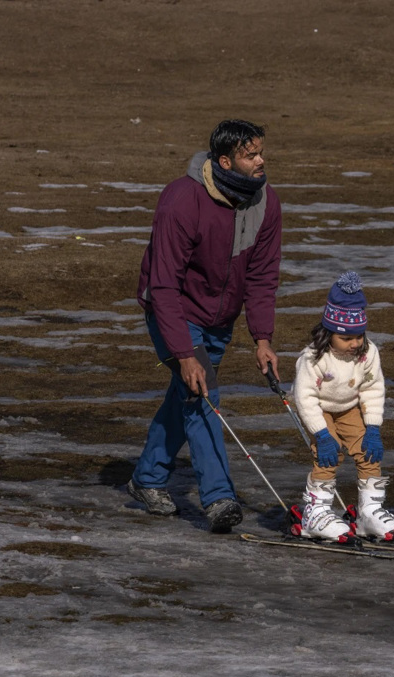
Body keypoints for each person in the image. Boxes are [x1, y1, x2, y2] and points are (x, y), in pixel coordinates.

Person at [127, 119, 282, 533]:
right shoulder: (182, 200)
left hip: (219, 319)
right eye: (252, 155)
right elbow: (163, 285)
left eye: (261, 151)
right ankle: (219, 499)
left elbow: (263, 276)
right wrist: (182, 352)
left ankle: (146, 478)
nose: (261, 160)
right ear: (226, 161)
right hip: (172, 311)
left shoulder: (266, 202)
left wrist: (262, 338)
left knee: (187, 394)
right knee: (202, 396)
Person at [290, 271, 394, 546]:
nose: (355, 343)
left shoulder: (367, 352)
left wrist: (373, 428)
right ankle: (315, 514)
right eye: (347, 338)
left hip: (350, 408)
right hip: (319, 410)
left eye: (359, 336)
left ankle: (369, 512)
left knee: (369, 453)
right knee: (329, 457)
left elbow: (373, 388)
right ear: (330, 332)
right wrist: (321, 434)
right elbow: (305, 397)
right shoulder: (313, 358)